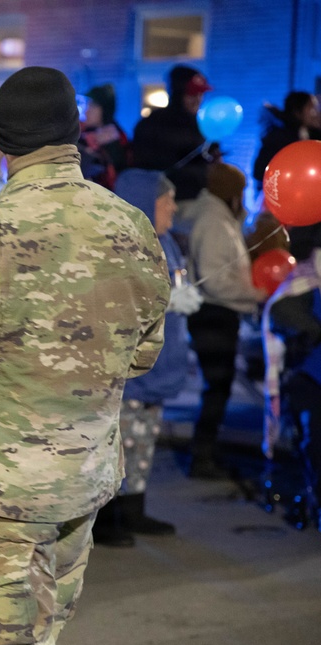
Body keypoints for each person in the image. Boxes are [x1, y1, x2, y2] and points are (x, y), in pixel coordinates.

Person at [0, 66, 170, 645]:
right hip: (84, 476)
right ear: (74, 131)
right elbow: (145, 353)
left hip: (1, 488)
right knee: (39, 638)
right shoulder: (131, 226)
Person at [93, 170, 201, 546]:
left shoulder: (167, 241)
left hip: (160, 364)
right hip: (129, 369)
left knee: (144, 441)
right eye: (165, 199)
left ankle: (134, 508)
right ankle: (106, 518)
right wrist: (167, 302)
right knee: (118, 445)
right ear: (143, 202)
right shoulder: (122, 245)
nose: (172, 206)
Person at [186, 162, 267, 478]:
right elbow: (216, 279)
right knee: (217, 387)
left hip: (217, 315)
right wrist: (254, 294)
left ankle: (207, 451)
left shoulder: (219, 218)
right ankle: (202, 455)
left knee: (218, 387)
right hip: (214, 316)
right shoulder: (215, 223)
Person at [263, 249, 321, 531]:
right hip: (312, 377)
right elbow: (280, 310)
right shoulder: (308, 282)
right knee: (315, 443)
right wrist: (311, 329)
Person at [132, 65, 213, 240]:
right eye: (192, 94)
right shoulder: (153, 125)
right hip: (166, 207)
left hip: (193, 201)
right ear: (179, 93)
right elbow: (147, 168)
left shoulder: (199, 126)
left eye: (201, 94)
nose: (198, 99)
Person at [253, 92, 321, 192]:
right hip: (282, 193)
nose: (315, 113)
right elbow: (259, 171)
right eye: (311, 108)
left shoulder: (314, 135)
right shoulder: (278, 137)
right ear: (297, 111)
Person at [78, 83, 130, 190]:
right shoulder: (81, 135)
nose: (87, 111)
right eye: (87, 105)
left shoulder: (116, 139)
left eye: (93, 106)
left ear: (104, 109)